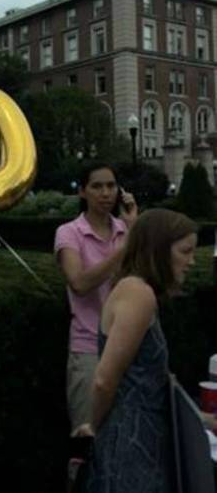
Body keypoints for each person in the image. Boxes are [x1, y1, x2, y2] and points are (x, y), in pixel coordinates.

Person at [81, 209, 199, 492]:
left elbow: (150, 381)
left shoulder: (139, 291)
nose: (192, 261)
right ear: (158, 250)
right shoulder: (138, 294)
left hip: (139, 441)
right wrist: (92, 428)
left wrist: (201, 418)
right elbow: (104, 380)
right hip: (130, 448)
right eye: (185, 251)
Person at [55, 163, 137, 436]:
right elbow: (79, 283)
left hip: (126, 347)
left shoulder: (126, 231)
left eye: (111, 186)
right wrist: (123, 251)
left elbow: (142, 285)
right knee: (86, 439)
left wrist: (134, 230)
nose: (106, 193)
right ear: (82, 192)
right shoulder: (69, 233)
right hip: (88, 347)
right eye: (97, 186)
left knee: (125, 437)